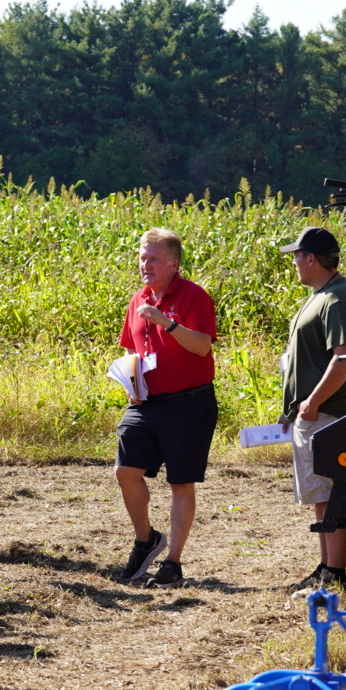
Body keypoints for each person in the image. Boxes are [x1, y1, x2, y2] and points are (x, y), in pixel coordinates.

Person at [112, 227, 217, 587]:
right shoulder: (137, 299)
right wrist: (132, 381)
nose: (146, 264)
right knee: (126, 472)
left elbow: (202, 346)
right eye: (143, 257)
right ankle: (146, 540)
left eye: (154, 258)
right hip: (146, 403)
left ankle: (172, 563)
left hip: (189, 402)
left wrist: (168, 324)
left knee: (180, 483)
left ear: (173, 263)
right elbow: (132, 349)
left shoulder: (194, 297)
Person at [278, 225, 346, 594]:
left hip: (328, 414)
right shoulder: (324, 294)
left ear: (311, 259)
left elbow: (344, 359)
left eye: (297, 256)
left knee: (331, 493)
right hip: (315, 414)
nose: (295, 263)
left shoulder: (337, 298)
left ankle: (336, 572)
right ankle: (327, 568)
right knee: (321, 495)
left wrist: (312, 403)